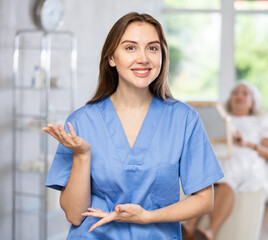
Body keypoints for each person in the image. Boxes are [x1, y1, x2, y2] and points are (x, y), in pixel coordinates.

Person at [43, 12, 224, 240]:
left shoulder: (184, 119)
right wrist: (82, 155)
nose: (143, 58)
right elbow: (74, 215)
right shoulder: (82, 121)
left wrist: (147, 217)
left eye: (152, 48)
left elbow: (204, 200)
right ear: (111, 58)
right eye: (130, 48)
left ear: (162, 56)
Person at [182, 81, 268, 240]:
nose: (238, 96)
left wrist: (247, 143)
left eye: (244, 93)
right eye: (235, 93)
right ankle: (189, 227)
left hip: (246, 157)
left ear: (253, 102)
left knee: (227, 177)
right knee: (205, 178)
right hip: (220, 155)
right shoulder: (221, 119)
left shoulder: (262, 122)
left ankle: (210, 231)